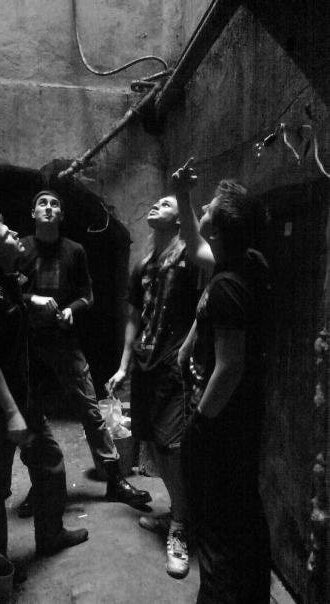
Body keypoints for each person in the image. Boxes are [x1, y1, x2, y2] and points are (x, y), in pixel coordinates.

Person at [0, 212, 88, 560]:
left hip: (25, 400)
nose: (16, 233)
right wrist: (12, 413)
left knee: (50, 464)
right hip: (3, 408)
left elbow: (15, 298)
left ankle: (50, 535)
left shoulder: (7, 284)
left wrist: (32, 301)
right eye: (6, 234)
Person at [17, 190, 151, 518]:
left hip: (65, 341)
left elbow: (87, 295)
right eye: (42, 203)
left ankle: (115, 479)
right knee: (33, 415)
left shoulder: (74, 250)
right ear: (33, 213)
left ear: (61, 215)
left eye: (54, 204)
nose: (49, 208)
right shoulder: (22, 248)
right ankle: (40, 484)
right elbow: (9, 291)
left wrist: (71, 310)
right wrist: (32, 299)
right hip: (29, 344)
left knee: (90, 409)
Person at [172, 166, 272, 603]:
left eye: (208, 207)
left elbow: (229, 367)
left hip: (223, 425)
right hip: (239, 420)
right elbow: (196, 243)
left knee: (217, 527)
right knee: (241, 514)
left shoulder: (228, 285)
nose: (203, 208)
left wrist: (201, 425)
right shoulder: (245, 262)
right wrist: (182, 195)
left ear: (219, 228)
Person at [108, 194, 199, 579]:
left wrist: (185, 197)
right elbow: (133, 317)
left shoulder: (189, 257)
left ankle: (181, 526)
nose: (156, 205)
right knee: (155, 445)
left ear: (180, 219)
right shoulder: (144, 264)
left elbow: (202, 305)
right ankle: (179, 512)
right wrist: (123, 366)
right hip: (145, 368)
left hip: (172, 367)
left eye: (166, 203)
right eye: (157, 202)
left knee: (172, 446)